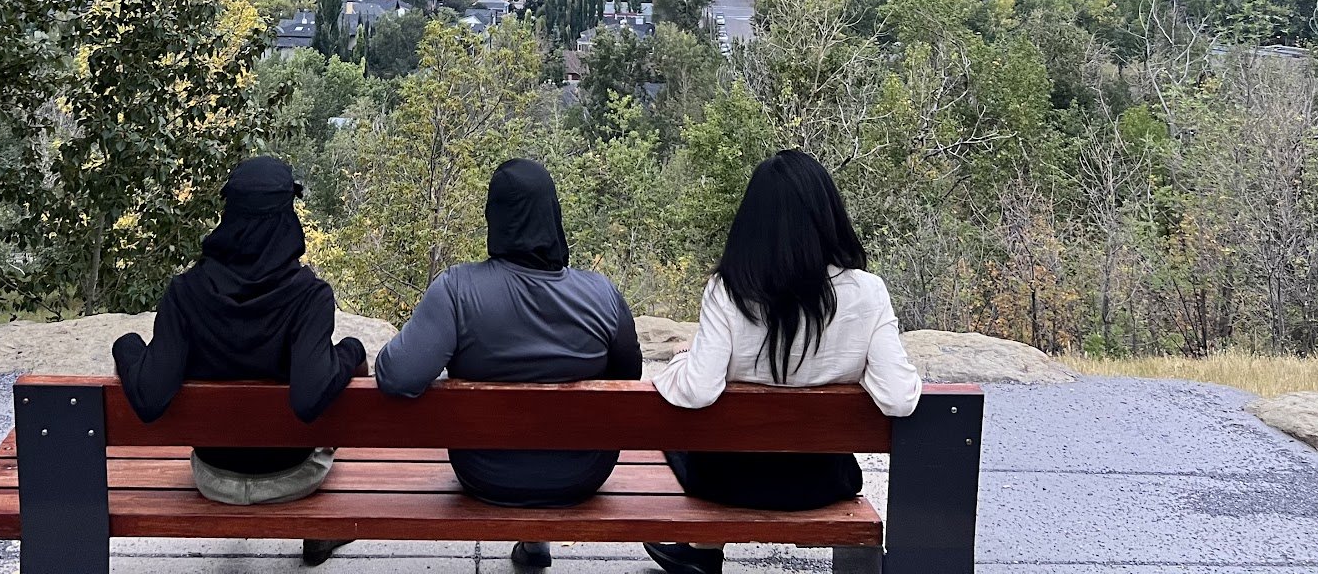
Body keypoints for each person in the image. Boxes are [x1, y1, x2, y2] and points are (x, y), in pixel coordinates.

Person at [643, 150, 922, 574]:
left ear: (752, 223)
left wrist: (679, 363)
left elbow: (698, 388)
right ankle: (699, 550)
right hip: (821, 483)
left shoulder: (729, 291)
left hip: (727, 483)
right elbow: (900, 398)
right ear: (828, 215)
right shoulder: (867, 293)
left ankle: (702, 550)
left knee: (684, 436)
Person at [375, 158, 642, 569]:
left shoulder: (458, 289)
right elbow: (629, 377)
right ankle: (535, 542)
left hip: (485, 473)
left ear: (494, 218)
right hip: (582, 474)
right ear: (552, 215)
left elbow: (397, 376)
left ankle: (533, 541)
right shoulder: (601, 295)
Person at [112, 156, 366, 568]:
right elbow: (309, 398)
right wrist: (352, 351)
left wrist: (126, 346)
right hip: (294, 477)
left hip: (214, 478)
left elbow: (149, 397)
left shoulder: (186, 292)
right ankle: (319, 525)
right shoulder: (309, 296)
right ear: (287, 216)